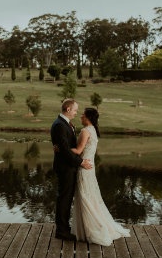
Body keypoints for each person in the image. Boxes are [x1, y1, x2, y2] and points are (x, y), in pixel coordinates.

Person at [56, 107, 130, 246]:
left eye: (83, 115)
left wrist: (60, 148)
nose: (80, 117)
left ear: (88, 118)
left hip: (84, 168)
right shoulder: (93, 130)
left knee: (85, 197)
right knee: (90, 196)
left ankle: (93, 229)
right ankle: (89, 228)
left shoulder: (85, 131)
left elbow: (78, 151)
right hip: (89, 168)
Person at [51, 99, 93, 241]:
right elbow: (64, 150)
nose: (76, 113)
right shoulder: (59, 125)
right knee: (64, 198)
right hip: (65, 167)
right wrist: (81, 162)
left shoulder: (65, 124)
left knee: (66, 198)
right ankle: (61, 231)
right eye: (75, 110)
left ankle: (64, 227)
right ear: (68, 109)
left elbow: (66, 147)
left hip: (68, 166)